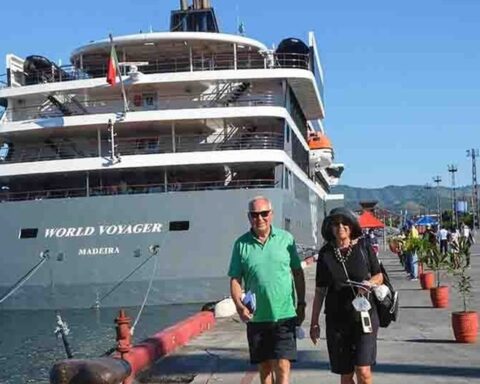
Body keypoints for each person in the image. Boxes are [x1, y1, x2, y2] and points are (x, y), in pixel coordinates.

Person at [228, 196, 306, 384]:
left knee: (282, 365)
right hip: (257, 317)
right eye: (255, 215)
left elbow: (297, 272)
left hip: (285, 314)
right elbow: (235, 279)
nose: (260, 219)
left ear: (271, 214)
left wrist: (301, 304)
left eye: (264, 214)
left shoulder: (286, 239)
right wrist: (240, 306)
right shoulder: (241, 244)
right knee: (264, 369)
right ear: (249, 217)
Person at [310, 207, 383, 384]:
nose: (340, 227)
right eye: (335, 224)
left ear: (352, 226)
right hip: (337, 320)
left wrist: (370, 284)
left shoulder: (364, 246)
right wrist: (314, 323)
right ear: (330, 228)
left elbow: (379, 275)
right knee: (346, 374)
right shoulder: (326, 254)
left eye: (345, 223)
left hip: (364, 317)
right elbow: (320, 291)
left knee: (363, 371)